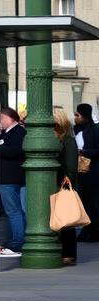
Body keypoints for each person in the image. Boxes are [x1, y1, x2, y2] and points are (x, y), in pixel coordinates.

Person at [0, 107, 27, 258]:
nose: (0, 121)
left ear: (11, 119)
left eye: (2, 118)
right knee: (16, 211)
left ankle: (17, 242)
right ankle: (18, 240)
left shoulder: (18, 133)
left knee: (13, 211)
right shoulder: (9, 133)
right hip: (12, 177)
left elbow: (15, 151)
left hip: (9, 178)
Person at [53, 109, 80, 266]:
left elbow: (70, 166)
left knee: (67, 221)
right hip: (59, 183)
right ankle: (65, 252)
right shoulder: (61, 139)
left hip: (64, 185)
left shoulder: (68, 141)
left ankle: (69, 254)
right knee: (62, 220)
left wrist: (66, 184)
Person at [74, 103, 99, 242]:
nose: (75, 118)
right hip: (82, 172)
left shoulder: (94, 130)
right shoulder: (77, 129)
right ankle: (88, 230)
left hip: (93, 173)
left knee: (92, 204)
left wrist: (83, 152)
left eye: (77, 115)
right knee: (85, 203)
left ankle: (92, 231)